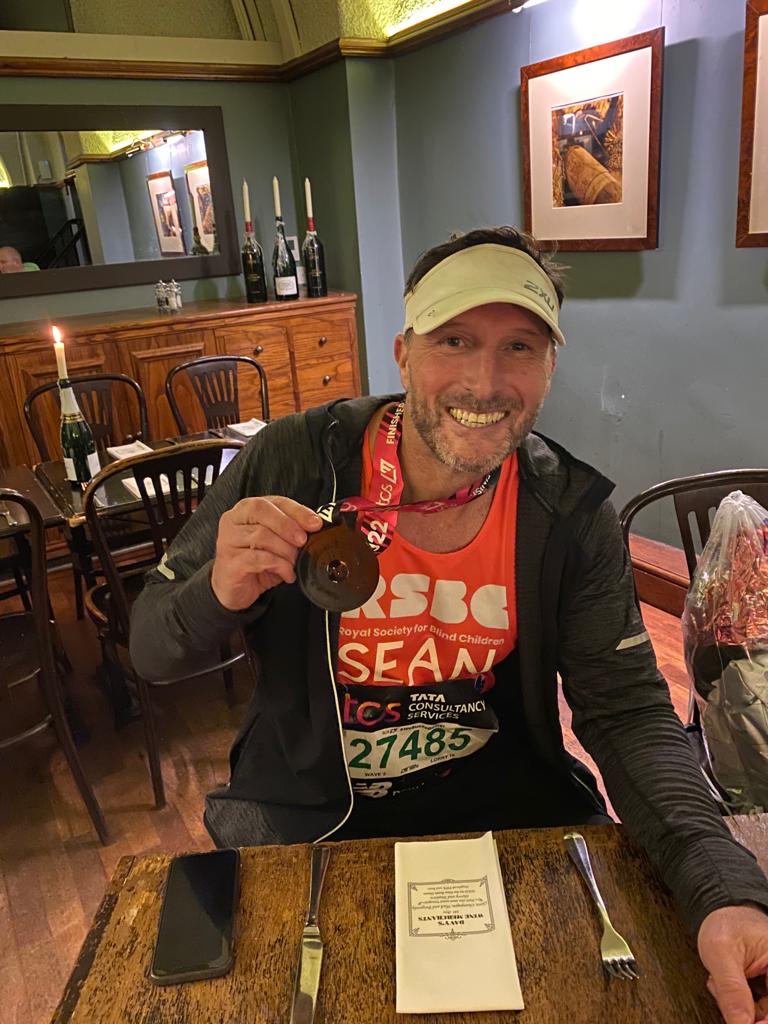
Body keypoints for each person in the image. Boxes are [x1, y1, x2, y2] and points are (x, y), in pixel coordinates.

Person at [131, 226, 768, 1024]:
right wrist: (217, 592)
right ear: (403, 352)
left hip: (511, 826)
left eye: (520, 347)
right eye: (454, 339)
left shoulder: (567, 511)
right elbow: (152, 646)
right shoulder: (298, 459)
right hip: (310, 831)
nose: (485, 378)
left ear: (549, 368)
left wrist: (723, 883)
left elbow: (630, 713)